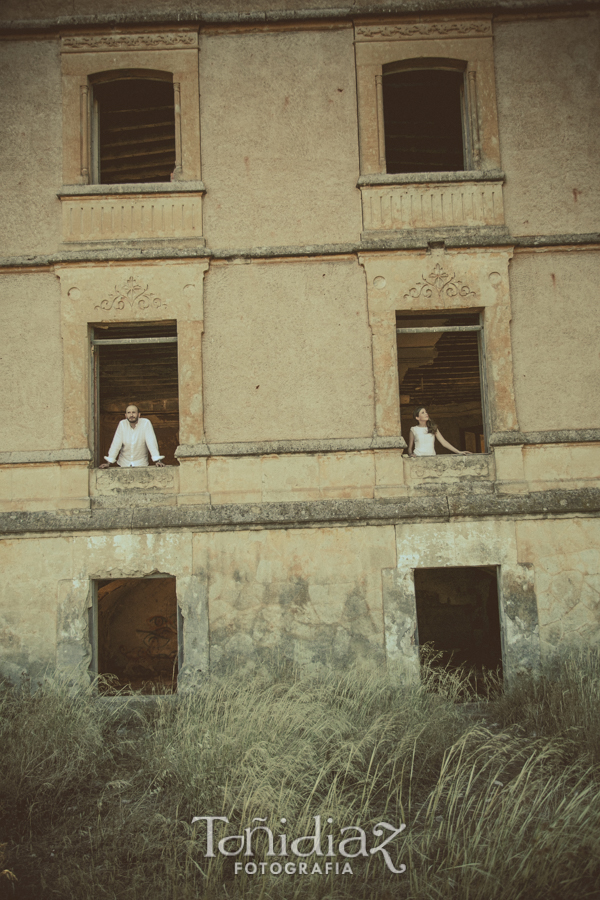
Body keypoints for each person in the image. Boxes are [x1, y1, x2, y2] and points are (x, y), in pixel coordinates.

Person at [100, 404, 166, 468]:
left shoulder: (145, 423)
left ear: (139, 414)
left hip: (141, 463)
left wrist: (157, 460)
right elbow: (116, 444)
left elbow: (151, 442)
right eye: (129, 413)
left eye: (134, 412)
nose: (131, 415)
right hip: (124, 463)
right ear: (125, 415)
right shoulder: (122, 424)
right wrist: (108, 462)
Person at [407, 406, 472, 457]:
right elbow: (410, 447)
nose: (426, 414)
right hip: (418, 458)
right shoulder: (413, 429)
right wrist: (410, 454)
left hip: (432, 457)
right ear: (417, 418)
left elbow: (443, 442)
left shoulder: (433, 428)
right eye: (423, 412)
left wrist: (458, 452)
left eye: (426, 412)